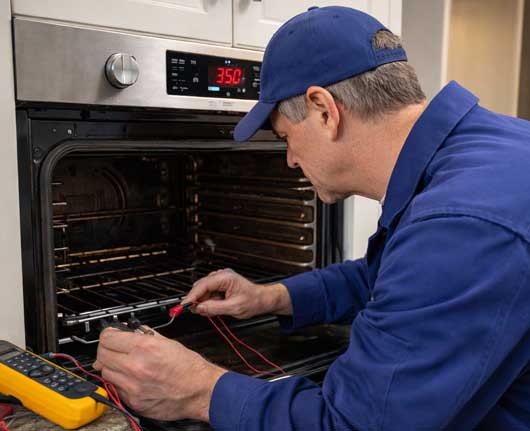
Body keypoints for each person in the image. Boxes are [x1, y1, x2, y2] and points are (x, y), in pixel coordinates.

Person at [94, 6, 530, 430]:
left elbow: (353, 425)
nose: (289, 160)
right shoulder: (486, 154)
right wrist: (269, 298)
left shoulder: (461, 222)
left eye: (285, 136)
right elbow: (390, 279)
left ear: (324, 109)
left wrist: (198, 389)